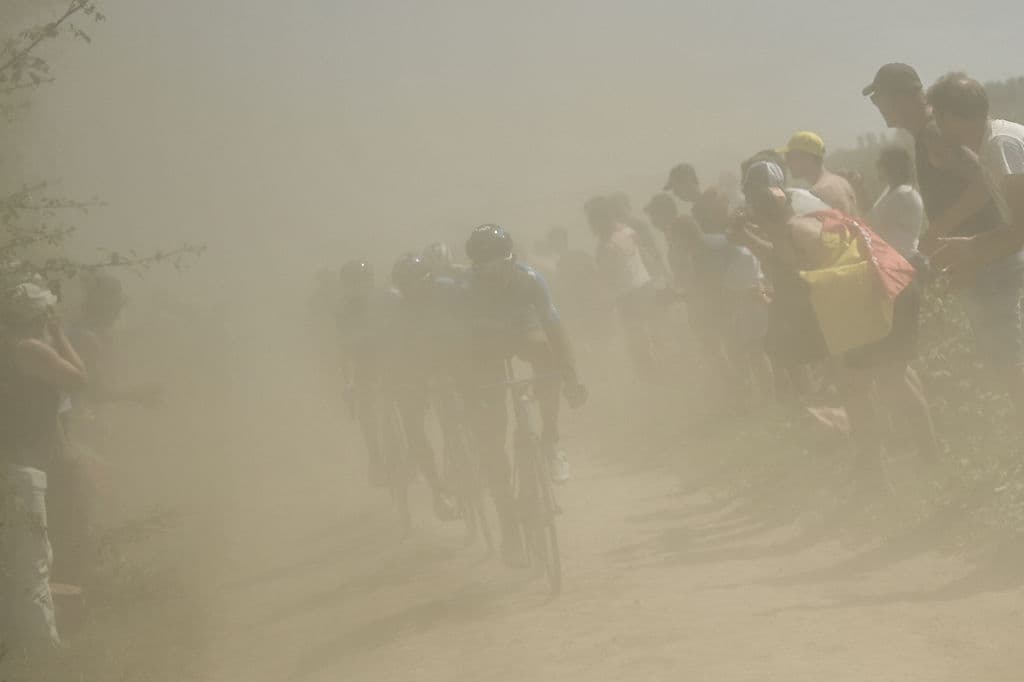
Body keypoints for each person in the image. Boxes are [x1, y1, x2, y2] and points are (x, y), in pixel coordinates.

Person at [732, 188, 939, 490]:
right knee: (892, 377)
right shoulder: (812, 219)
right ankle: (925, 458)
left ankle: (879, 472)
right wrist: (749, 238)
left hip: (870, 297)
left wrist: (748, 237)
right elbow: (790, 259)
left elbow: (786, 264)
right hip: (892, 284)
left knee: (860, 388)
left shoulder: (789, 231)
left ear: (763, 218)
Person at [865, 65, 1024, 411]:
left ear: (902, 97)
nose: (878, 107)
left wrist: (940, 231)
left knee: (1005, 355)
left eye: (879, 99)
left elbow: (984, 180)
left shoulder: (936, 134)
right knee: (1000, 352)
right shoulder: (931, 134)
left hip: (986, 255)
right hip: (980, 253)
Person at [461, 224, 587, 564]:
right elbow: (458, 346)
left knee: (546, 355)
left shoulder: (530, 279)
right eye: (483, 268)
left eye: (497, 266)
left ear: (511, 259)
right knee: (492, 440)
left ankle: (550, 439)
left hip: (523, 329)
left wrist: (570, 376)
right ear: (474, 267)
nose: (492, 275)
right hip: (485, 345)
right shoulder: (465, 290)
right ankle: (509, 528)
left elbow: (554, 328)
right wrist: (467, 388)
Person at [1, 282, 88, 652]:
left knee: (22, 557)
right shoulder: (30, 348)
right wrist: (59, 335)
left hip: (15, 464)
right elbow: (79, 379)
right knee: (33, 560)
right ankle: (42, 648)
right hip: (20, 468)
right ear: (40, 315)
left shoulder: (11, 346)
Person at [389, 254, 460, 521]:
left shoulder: (449, 294)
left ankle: (476, 457)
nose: (415, 291)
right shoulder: (398, 315)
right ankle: (438, 490)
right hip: (417, 372)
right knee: (414, 428)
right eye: (408, 286)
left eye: (419, 284)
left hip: (452, 362)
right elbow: (395, 355)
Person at [335, 259, 398, 488]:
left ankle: (411, 455)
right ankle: (375, 459)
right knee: (366, 408)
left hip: (395, 359)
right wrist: (348, 383)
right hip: (366, 364)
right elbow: (343, 350)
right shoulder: (343, 312)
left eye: (361, 282)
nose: (357, 287)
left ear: (370, 281)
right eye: (352, 283)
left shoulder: (388, 298)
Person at [585, 196, 659, 380]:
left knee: (637, 337)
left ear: (599, 220)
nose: (591, 225)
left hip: (628, 296)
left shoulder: (605, 246)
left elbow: (609, 278)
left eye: (592, 220)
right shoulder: (628, 231)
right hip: (645, 287)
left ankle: (650, 375)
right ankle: (656, 370)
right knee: (648, 332)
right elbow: (647, 259)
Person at [782, 131, 860, 215]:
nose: (786, 162)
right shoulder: (842, 182)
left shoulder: (819, 193)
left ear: (807, 158)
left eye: (789, 157)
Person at [868, 146, 925, 260]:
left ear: (891, 167)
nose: (877, 166)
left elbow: (874, 223)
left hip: (903, 258)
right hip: (892, 258)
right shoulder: (890, 190)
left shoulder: (903, 194)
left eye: (881, 162)